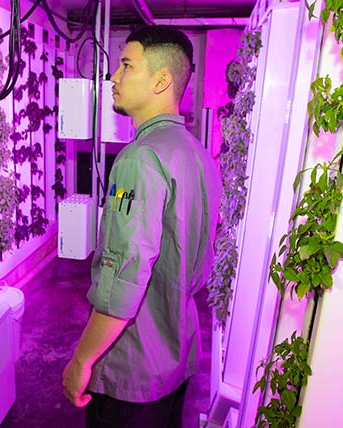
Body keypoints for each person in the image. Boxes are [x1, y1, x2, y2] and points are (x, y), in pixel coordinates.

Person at [62, 25, 221, 428]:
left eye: (126, 65)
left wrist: (81, 360)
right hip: (178, 356)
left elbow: (122, 284)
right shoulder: (198, 154)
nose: (114, 77)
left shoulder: (139, 159)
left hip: (132, 372)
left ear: (161, 80)